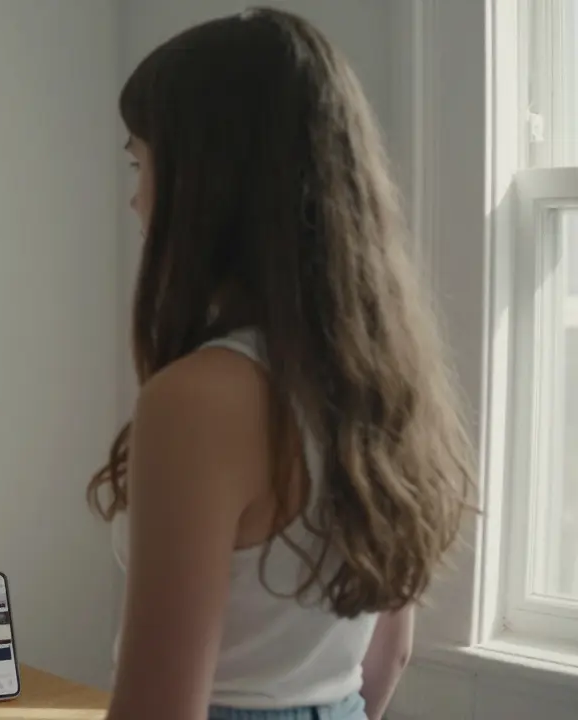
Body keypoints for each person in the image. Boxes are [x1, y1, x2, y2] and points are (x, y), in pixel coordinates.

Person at [95, 8, 476, 720]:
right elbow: (385, 658)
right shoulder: (380, 378)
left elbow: (159, 709)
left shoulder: (199, 400)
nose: (135, 197)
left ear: (206, 182)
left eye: (139, 162)